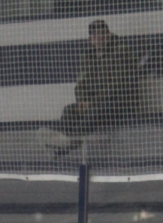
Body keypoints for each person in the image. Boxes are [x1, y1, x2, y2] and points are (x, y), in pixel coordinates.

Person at [44, 20, 139, 154]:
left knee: (95, 110)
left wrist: (91, 102)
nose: (98, 38)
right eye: (95, 35)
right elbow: (81, 84)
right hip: (95, 102)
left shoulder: (121, 51)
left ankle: (70, 141)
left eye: (102, 34)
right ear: (90, 39)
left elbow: (117, 86)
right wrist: (82, 102)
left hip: (120, 103)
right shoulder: (88, 55)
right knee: (70, 110)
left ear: (109, 34)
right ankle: (62, 143)